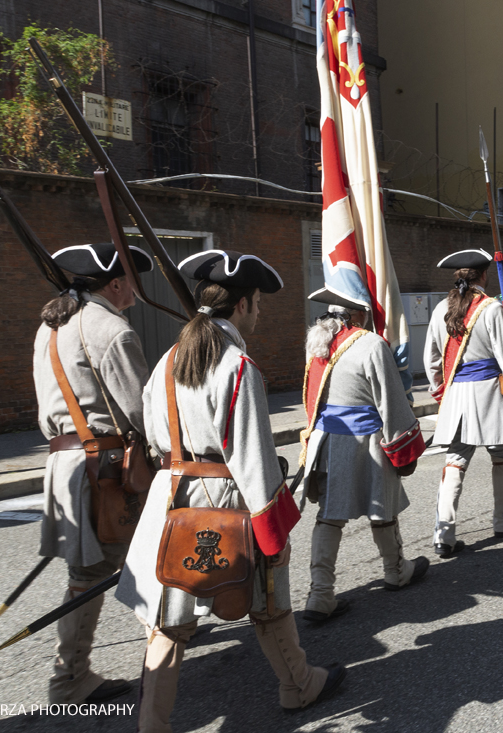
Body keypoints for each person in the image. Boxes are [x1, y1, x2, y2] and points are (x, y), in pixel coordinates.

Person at [116, 250, 345, 729]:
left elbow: (154, 434)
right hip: (226, 500)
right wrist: (274, 536)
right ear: (242, 305)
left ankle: (151, 726)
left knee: (169, 622)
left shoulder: (167, 361)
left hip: (172, 495)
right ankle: (298, 686)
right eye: (258, 302)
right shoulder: (238, 365)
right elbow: (254, 460)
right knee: (268, 599)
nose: (259, 312)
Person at [33, 242, 154, 704]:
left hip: (66, 462)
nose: (136, 291)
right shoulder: (111, 329)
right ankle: (69, 678)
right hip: (104, 469)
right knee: (99, 571)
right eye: (133, 282)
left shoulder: (51, 326)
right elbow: (142, 411)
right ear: (116, 284)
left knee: (111, 563)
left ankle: (163, 629)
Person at [300, 289, 429, 624]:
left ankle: (320, 593)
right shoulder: (370, 344)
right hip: (366, 440)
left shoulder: (318, 343)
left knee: (329, 517)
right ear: (358, 313)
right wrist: (404, 441)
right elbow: (391, 400)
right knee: (382, 509)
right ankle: (396, 571)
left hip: (328, 439)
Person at [425, 249, 503, 558]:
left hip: (457, 395)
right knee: (501, 455)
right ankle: (502, 521)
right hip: (489, 393)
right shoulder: (491, 309)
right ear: (484, 275)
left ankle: (443, 535)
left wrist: (440, 395)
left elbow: (431, 361)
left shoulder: (439, 310)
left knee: (455, 461)